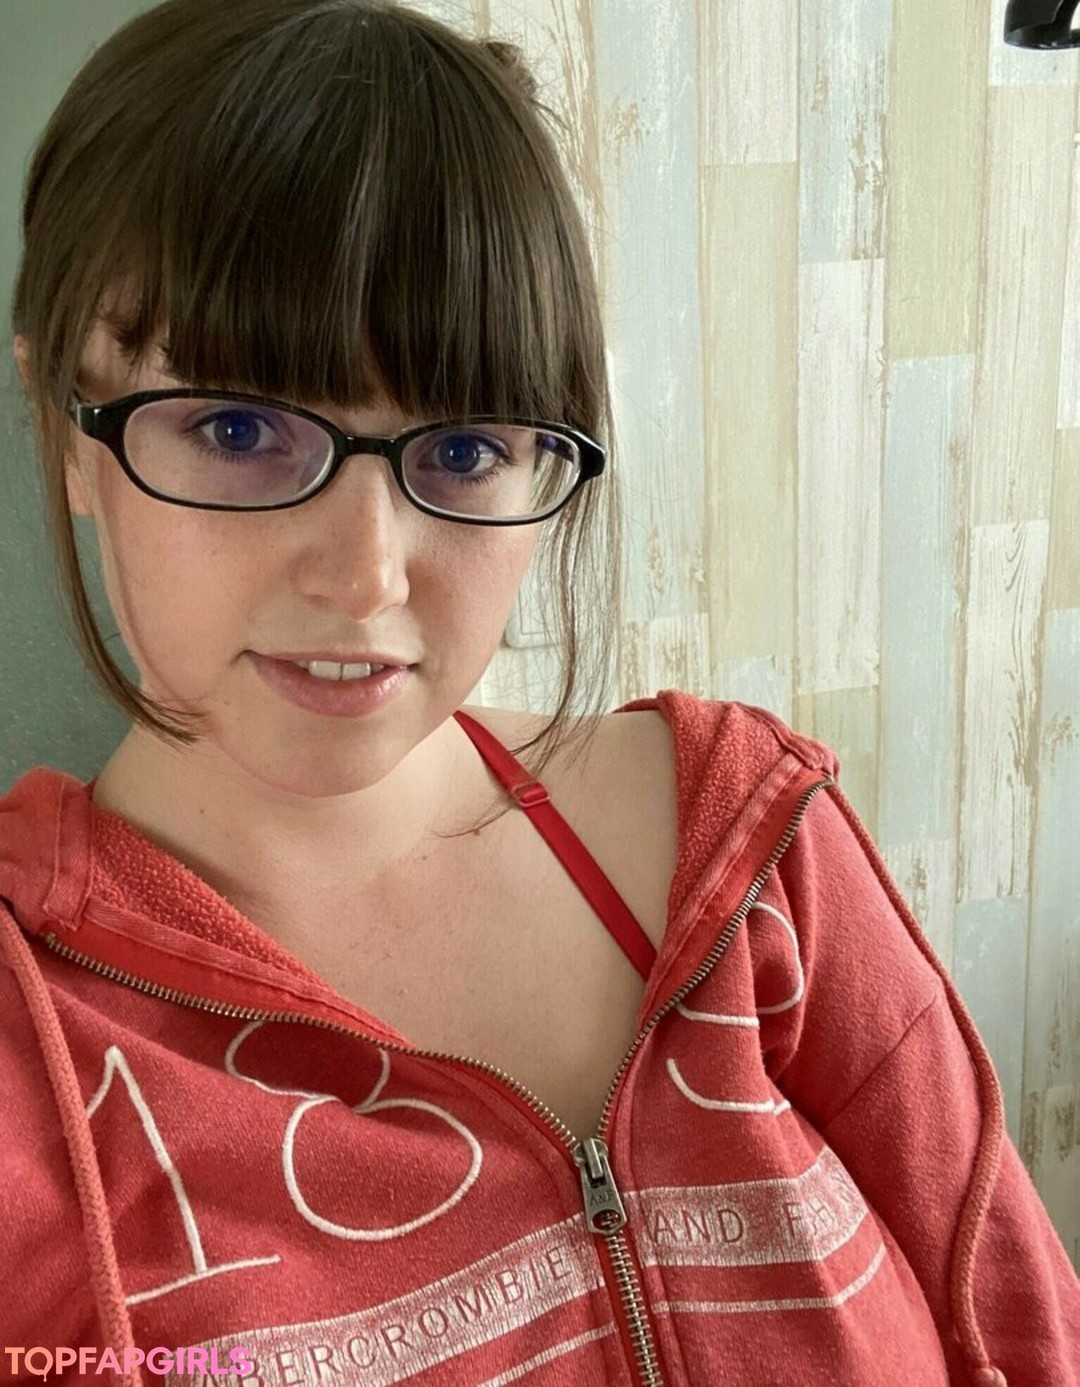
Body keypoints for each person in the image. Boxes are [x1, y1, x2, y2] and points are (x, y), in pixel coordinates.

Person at [0, 1, 1076, 1384]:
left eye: (462, 449)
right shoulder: (30, 1062)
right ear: (67, 432)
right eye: (237, 426)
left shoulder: (753, 853)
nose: (367, 575)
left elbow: (1023, 1331)